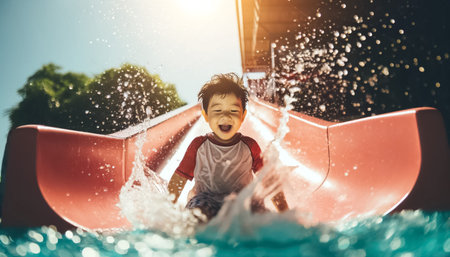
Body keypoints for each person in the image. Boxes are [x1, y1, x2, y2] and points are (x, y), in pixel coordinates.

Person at [167, 73, 288, 221]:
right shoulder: (198, 145)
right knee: (196, 215)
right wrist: (166, 211)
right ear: (206, 116)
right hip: (205, 200)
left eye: (233, 111)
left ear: (243, 116)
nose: (225, 116)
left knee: (260, 213)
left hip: (240, 201)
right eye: (217, 110)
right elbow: (178, 180)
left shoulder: (249, 146)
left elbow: (268, 180)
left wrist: (285, 213)